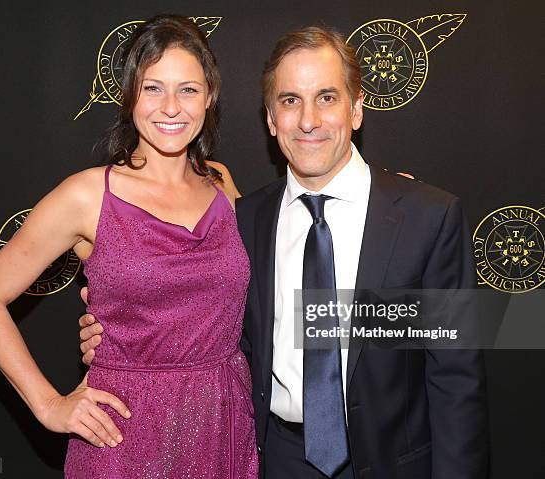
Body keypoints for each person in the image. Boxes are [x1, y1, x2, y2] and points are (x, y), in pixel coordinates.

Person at [80, 25, 489, 478]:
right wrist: (117, 326)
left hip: (395, 464)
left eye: (327, 98)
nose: (308, 120)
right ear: (271, 119)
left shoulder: (425, 218)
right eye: (290, 101)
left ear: (356, 110)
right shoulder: (247, 217)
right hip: (276, 460)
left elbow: (456, 378)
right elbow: (207, 311)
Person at [0, 15, 257, 479]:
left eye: (188, 89)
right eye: (153, 88)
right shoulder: (87, 195)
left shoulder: (221, 182)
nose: (171, 107)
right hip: (123, 430)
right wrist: (49, 404)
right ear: (130, 96)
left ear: (209, 98)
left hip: (223, 416)